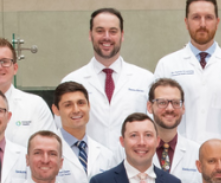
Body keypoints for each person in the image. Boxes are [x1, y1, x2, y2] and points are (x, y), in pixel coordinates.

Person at [153, 0, 221, 142]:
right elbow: (154, 116)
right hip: (178, 158)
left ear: (217, 22)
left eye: (208, 17)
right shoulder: (167, 65)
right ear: (186, 22)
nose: (202, 24)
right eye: (196, 17)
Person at [60, 8, 154, 148]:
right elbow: (62, 131)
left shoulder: (146, 80)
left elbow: (153, 129)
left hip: (131, 164)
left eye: (113, 31)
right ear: (90, 35)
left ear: (122, 35)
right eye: (99, 31)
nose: (106, 37)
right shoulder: (72, 81)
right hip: (89, 164)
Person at [51, 81, 115, 183]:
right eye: (68, 105)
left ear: (89, 106)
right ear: (56, 110)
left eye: (81, 103)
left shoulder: (106, 155)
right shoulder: (47, 152)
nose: (76, 110)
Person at [144, 78, 203, 183]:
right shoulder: (130, 150)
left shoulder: (197, 152)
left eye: (176, 103)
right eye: (162, 103)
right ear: (149, 107)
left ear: (183, 108)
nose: (170, 109)